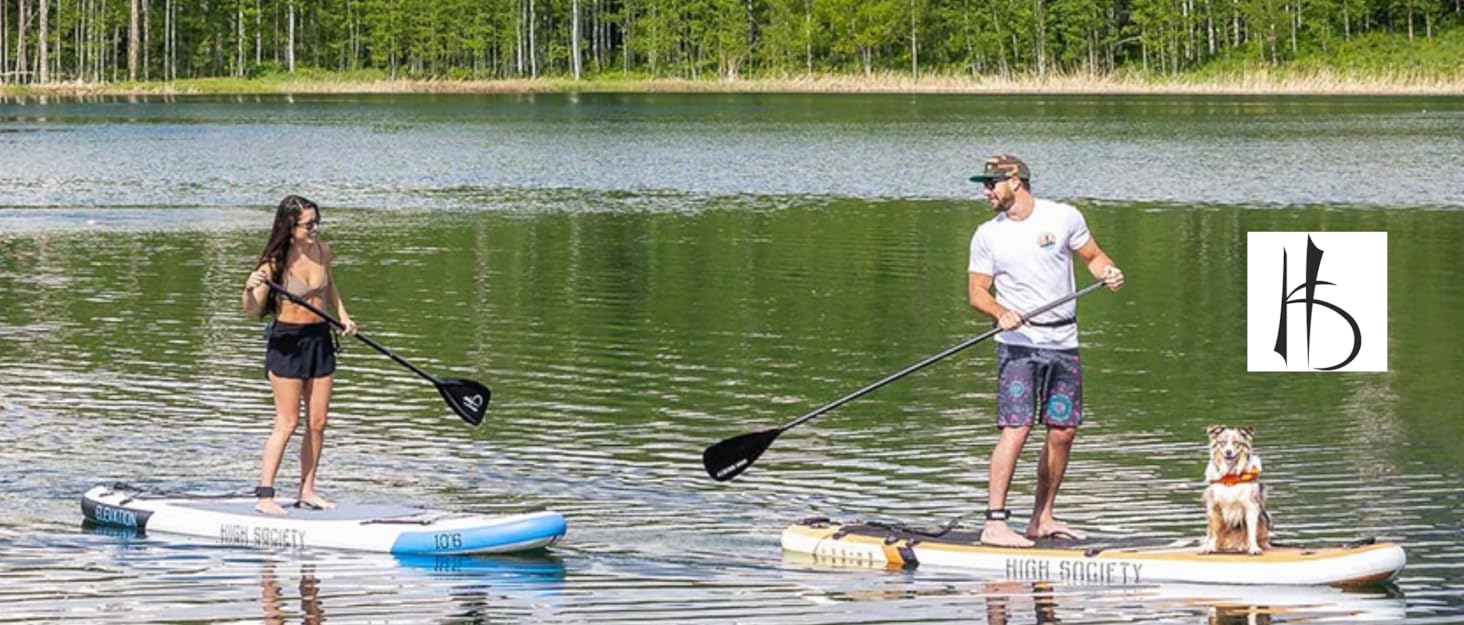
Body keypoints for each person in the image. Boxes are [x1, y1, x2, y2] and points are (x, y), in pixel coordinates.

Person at [966, 154, 1124, 547]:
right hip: (1018, 346)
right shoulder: (988, 234)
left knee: (1063, 431)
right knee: (1016, 429)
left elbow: (1093, 257)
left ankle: (1042, 518)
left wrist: (1109, 271)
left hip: (1063, 343)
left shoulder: (1064, 217)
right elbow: (976, 292)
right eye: (984, 184)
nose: (986, 191)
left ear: (1015, 181)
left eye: (991, 183)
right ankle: (995, 523)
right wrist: (1001, 311)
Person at [242, 195, 358, 516]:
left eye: (317, 221)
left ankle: (307, 491)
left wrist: (345, 316)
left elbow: (329, 287)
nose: (315, 228)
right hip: (287, 343)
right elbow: (251, 310)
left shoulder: (322, 252)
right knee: (288, 421)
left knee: (318, 422)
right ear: (290, 227)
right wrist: (250, 288)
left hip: (320, 338)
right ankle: (265, 495)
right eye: (309, 224)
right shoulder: (273, 264)